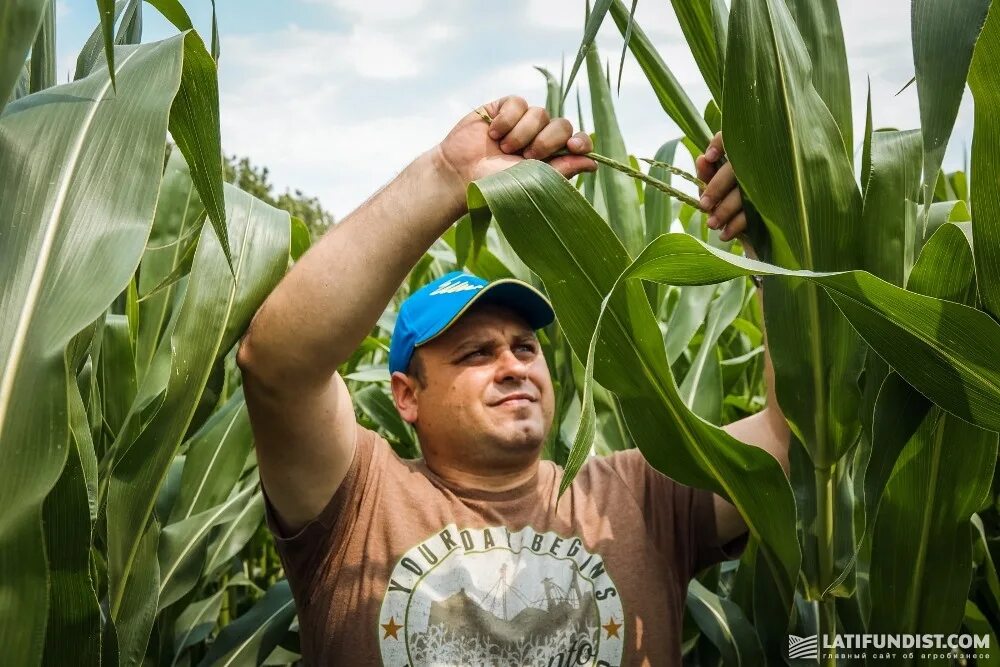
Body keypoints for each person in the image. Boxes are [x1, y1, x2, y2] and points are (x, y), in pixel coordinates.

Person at [236, 95, 791, 666]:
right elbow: (277, 366)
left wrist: (773, 255)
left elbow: (784, 443)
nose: (513, 365)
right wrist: (449, 175)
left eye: (525, 347)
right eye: (476, 353)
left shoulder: (645, 494)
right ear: (406, 395)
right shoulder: (359, 502)